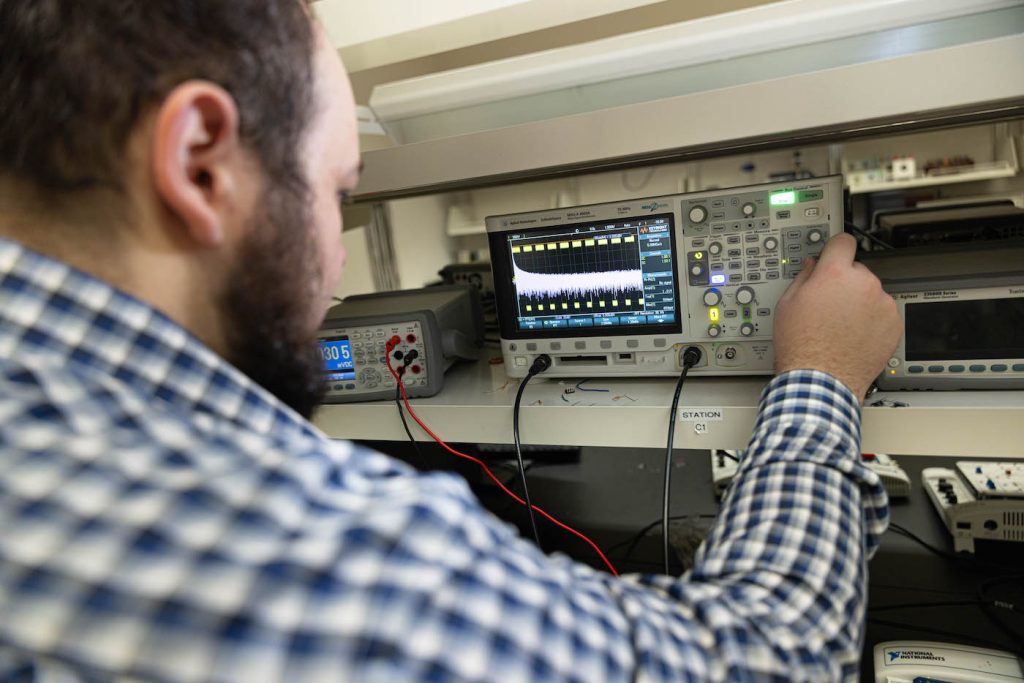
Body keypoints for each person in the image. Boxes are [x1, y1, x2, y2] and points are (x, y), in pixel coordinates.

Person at [0, 1, 903, 681]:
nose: (329, 264)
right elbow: (761, 655)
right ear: (200, 161)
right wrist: (820, 372)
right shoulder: (324, 559)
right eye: (339, 194)